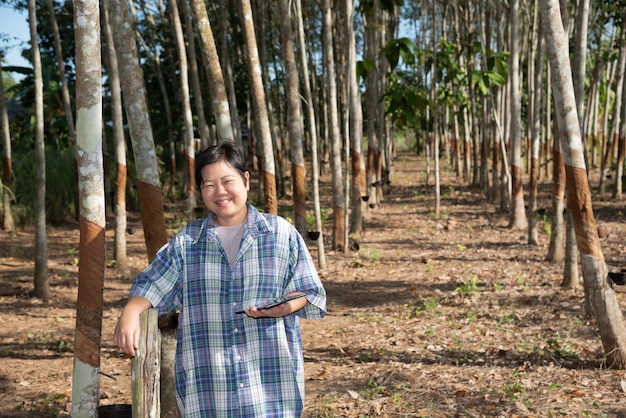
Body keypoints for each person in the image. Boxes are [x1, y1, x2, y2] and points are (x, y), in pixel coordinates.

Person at [114, 142, 327, 417]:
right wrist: (131, 312)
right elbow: (154, 282)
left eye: (227, 181)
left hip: (270, 385)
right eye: (209, 184)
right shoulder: (188, 243)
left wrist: (283, 308)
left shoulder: (280, 234)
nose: (220, 192)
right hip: (209, 388)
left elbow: (308, 291)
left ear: (246, 180)